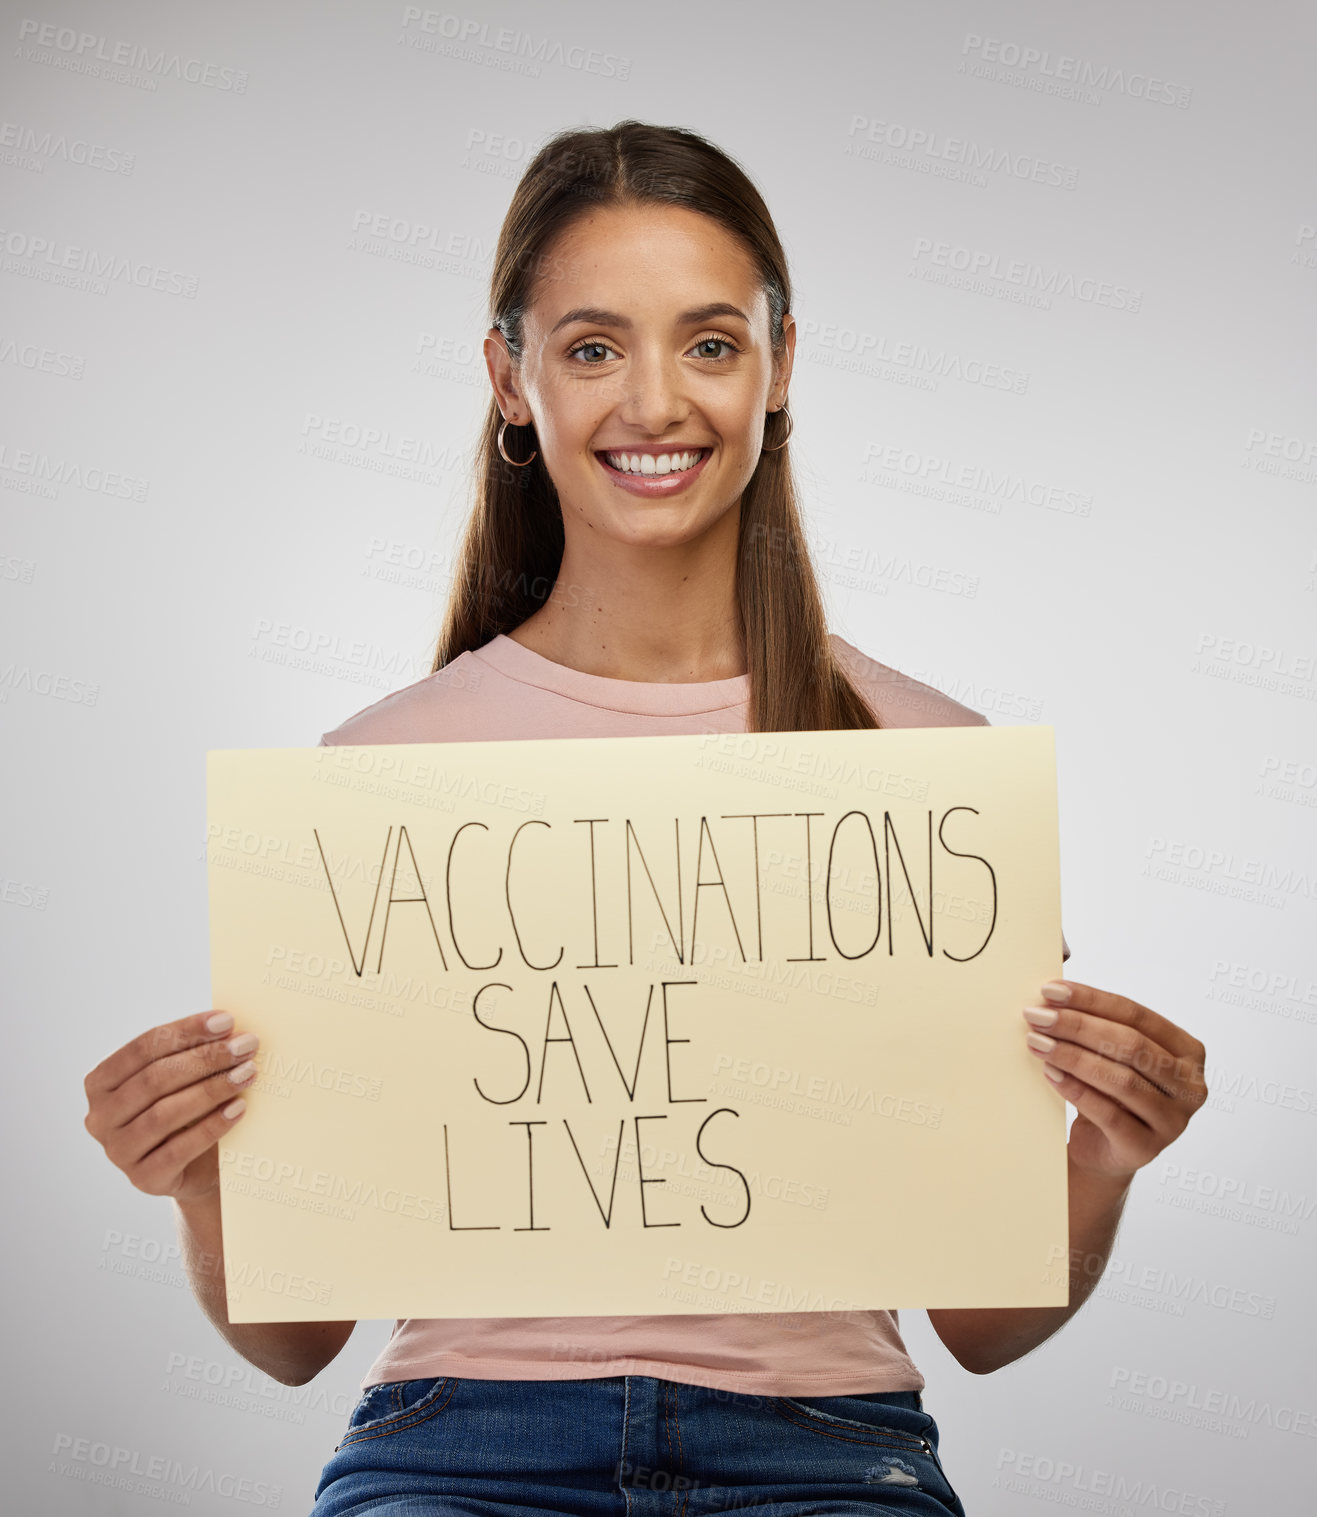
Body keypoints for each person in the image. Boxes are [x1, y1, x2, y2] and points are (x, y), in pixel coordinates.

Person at [83, 120, 1208, 1516]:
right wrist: (199, 1179)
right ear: (512, 377)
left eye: (712, 342)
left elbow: (982, 1325)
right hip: (451, 1446)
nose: (655, 401)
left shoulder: (926, 770)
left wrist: (1099, 1157)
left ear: (781, 365)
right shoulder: (378, 776)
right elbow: (292, 1340)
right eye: (594, 346)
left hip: (822, 1446)